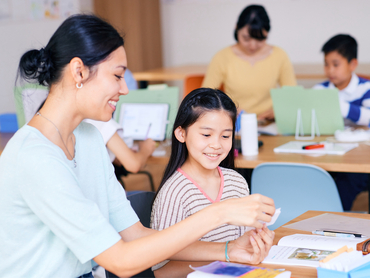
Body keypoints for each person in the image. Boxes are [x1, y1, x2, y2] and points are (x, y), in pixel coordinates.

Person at [0, 14, 276, 277]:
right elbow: (121, 261)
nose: (125, 89)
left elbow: (137, 234)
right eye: (118, 76)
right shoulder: (35, 157)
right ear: (79, 71)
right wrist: (219, 213)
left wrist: (228, 250)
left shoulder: (89, 138)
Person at [151, 88, 270, 270]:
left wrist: (255, 243)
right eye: (206, 135)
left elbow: (241, 248)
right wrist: (225, 256)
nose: (216, 145)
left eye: (225, 136)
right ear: (181, 134)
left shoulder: (236, 183)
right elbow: (160, 267)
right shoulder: (174, 192)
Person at [202, 4, 296, 121]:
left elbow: (292, 96)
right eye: (246, 38)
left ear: (267, 33)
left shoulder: (279, 55)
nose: (253, 46)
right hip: (235, 122)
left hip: (268, 123)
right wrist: (227, 109)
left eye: (260, 39)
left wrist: (278, 110)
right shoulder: (222, 57)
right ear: (237, 29)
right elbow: (205, 96)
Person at [313, 34, 369, 210]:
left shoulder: (365, 88)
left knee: (349, 180)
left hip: (359, 158)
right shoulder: (320, 90)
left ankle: (336, 214)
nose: (330, 70)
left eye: (336, 64)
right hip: (329, 153)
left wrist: (340, 106)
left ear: (352, 64)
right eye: (326, 64)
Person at [85, 69, 157, 176]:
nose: (125, 90)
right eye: (117, 78)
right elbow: (134, 165)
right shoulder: (100, 121)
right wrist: (145, 149)